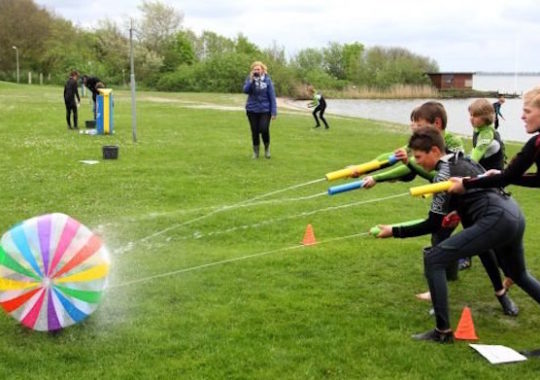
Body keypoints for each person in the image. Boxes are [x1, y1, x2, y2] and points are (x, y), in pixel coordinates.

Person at [375, 126, 538, 343]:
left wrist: (394, 231)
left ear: (435, 151)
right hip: (514, 214)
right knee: (519, 274)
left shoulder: (444, 174)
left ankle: (442, 332)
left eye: (419, 157)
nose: (418, 162)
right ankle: (495, 298)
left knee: (434, 259)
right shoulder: (464, 160)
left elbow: (432, 224)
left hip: (497, 218)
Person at [243, 61, 277, 159]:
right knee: (255, 131)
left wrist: (274, 112)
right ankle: (256, 152)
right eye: (254, 69)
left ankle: (267, 149)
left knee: (264, 129)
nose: (256, 71)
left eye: (258, 69)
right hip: (252, 109)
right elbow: (245, 90)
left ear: (263, 70)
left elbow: (272, 97)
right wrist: (251, 81)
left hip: (265, 110)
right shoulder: (250, 79)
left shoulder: (268, 81)